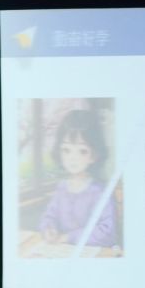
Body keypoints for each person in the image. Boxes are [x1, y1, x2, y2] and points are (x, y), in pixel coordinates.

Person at [37, 105, 118, 249]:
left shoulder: (101, 192)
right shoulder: (61, 188)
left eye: (82, 151)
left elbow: (107, 232)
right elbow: (49, 216)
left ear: (94, 155)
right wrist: (49, 228)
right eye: (66, 150)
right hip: (64, 251)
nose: (72, 158)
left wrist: (69, 237)